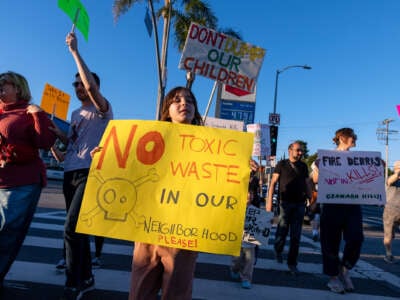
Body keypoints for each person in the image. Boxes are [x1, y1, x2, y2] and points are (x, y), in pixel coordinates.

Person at [51, 32, 113, 300]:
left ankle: (73, 281)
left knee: (70, 228)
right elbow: (69, 142)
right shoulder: (75, 114)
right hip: (70, 172)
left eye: (81, 83)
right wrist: (53, 131)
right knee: (78, 231)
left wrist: (75, 52)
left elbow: (91, 89)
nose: (78, 87)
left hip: (91, 172)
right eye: (74, 84)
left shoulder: (103, 108)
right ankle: (87, 278)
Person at [129, 87, 203, 300]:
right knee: (139, 291)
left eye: (189, 100)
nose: (184, 104)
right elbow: (130, 169)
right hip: (149, 227)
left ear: (195, 110)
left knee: (177, 292)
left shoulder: (209, 145)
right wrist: (107, 156)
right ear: (167, 109)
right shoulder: (150, 138)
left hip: (185, 230)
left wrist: (241, 165)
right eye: (177, 100)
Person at [0, 71, 56, 291]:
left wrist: (39, 115)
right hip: (2, 178)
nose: (1, 88)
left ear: (18, 88)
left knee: (7, 233)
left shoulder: (28, 111)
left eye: (6, 84)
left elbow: (45, 141)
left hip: (22, 182)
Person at [312, 128, 364, 294]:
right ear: (342, 138)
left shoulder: (359, 159)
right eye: (352, 136)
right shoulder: (325, 156)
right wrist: (319, 169)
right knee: (330, 242)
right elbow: (314, 179)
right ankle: (333, 277)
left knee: (356, 237)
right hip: (332, 203)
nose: (355, 139)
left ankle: (345, 268)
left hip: (353, 203)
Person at [266, 141, 312, 275]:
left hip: (300, 204)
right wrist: (269, 201)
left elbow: (307, 183)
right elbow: (273, 182)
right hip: (284, 204)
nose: (300, 153)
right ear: (290, 150)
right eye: (298, 150)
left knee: (296, 235)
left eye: (301, 150)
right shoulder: (282, 164)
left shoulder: (303, 166)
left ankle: (292, 263)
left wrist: (311, 199)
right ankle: (278, 250)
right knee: (282, 231)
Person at [230, 169, 260, 289]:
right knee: (236, 260)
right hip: (236, 236)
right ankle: (235, 269)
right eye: (247, 193)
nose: (249, 195)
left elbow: (261, 223)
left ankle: (246, 278)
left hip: (249, 238)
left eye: (251, 193)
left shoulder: (255, 209)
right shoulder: (235, 206)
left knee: (249, 260)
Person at [383, 160, 400, 263]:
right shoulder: (392, 178)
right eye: (398, 166)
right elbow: (389, 181)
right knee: (389, 235)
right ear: (395, 168)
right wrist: (397, 173)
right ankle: (388, 254)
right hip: (391, 210)